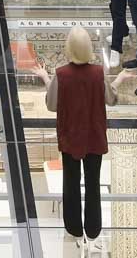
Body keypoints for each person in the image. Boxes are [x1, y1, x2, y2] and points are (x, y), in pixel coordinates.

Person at [38, 26, 117, 254]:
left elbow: (52, 104)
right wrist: (117, 82)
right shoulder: (98, 73)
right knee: (93, 184)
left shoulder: (61, 74)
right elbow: (110, 99)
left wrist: (46, 79)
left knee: (70, 182)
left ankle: (73, 227)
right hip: (94, 137)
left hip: (70, 136)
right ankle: (93, 229)